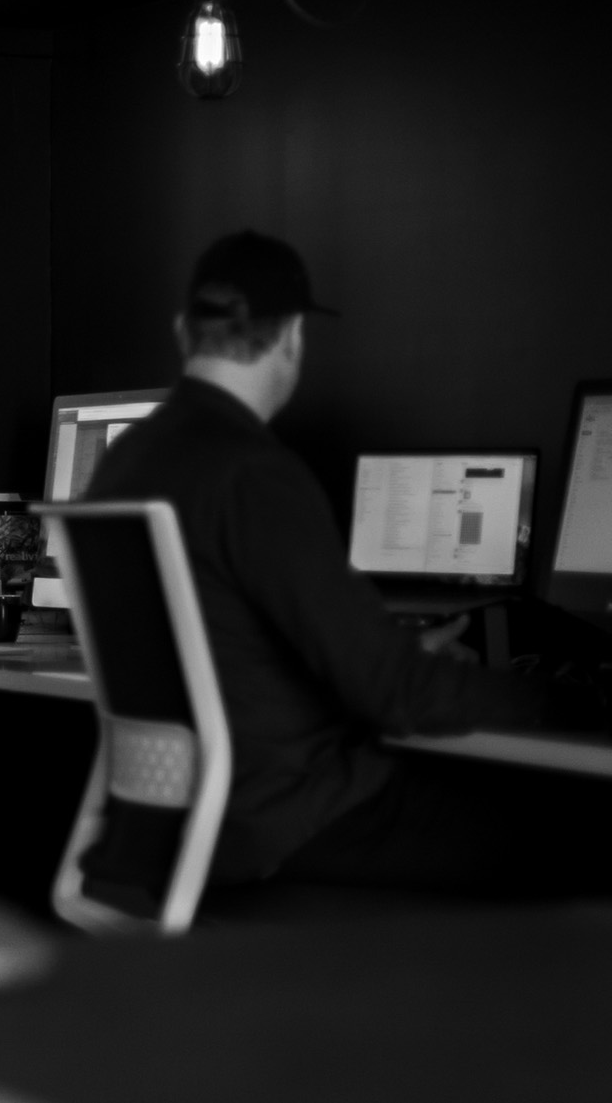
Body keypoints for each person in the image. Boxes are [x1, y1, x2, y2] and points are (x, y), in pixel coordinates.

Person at [84, 229, 609, 898]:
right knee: (576, 831)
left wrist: (384, 650)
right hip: (285, 823)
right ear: (291, 339)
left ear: (185, 330)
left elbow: (228, 649)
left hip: (161, 828)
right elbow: (391, 693)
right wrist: (564, 698)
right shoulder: (254, 474)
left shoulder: (124, 459)